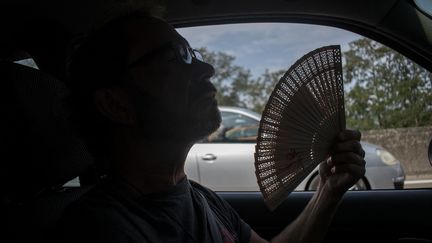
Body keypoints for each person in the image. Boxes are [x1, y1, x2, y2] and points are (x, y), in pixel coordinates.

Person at [55, 10, 366, 243]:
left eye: (194, 54)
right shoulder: (98, 229)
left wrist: (328, 190)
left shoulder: (197, 197)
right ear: (116, 104)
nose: (207, 69)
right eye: (175, 57)